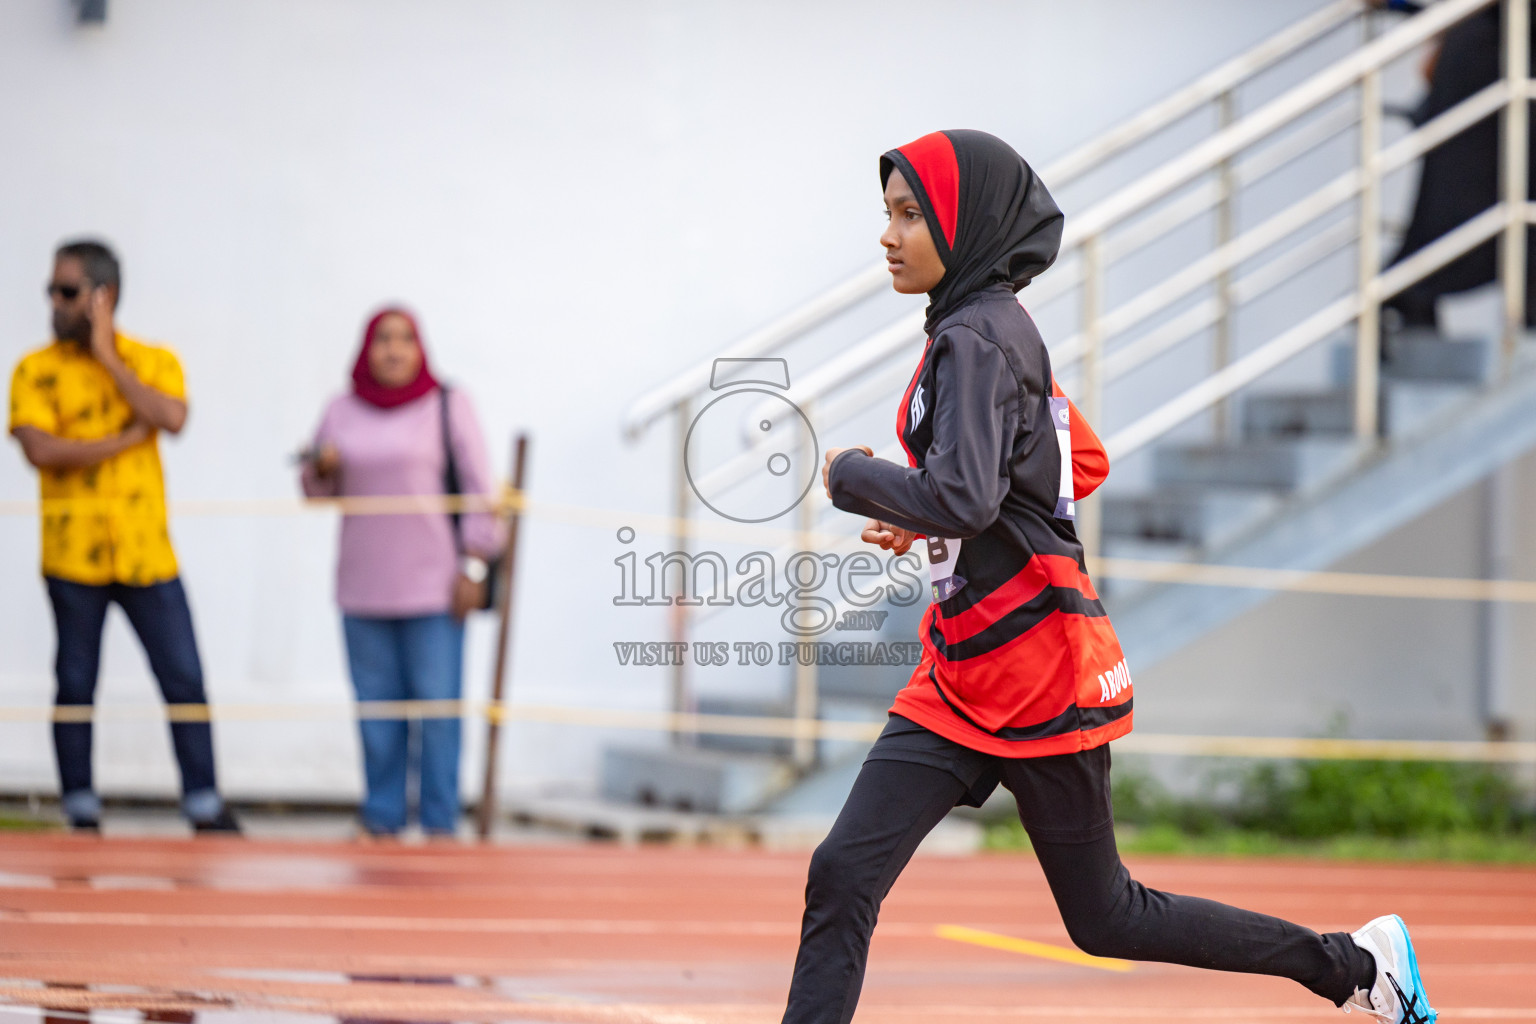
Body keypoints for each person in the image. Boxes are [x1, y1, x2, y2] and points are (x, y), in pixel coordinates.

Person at [787, 131, 1435, 1024]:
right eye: (888, 215)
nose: (890, 236)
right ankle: (1354, 962)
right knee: (844, 870)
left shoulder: (976, 337)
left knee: (1105, 916)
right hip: (963, 675)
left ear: (964, 223)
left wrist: (856, 476)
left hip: (1041, 675)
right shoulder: (983, 327)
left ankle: (1353, 963)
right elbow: (1070, 463)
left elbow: (970, 495)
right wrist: (930, 512)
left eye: (911, 214)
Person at [8, 239, 238, 835]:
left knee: (183, 676)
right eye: (52, 291)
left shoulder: (150, 359)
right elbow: (40, 449)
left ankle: (203, 803)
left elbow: (173, 417)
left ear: (101, 297)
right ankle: (80, 806)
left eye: (67, 291)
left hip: (145, 552)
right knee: (77, 682)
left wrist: (109, 357)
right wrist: (121, 441)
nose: (54, 302)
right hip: (72, 556)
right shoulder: (36, 370)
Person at [301, 307, 504, 840]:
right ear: (365, 349)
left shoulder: (447, 405)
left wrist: (475, 564)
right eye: (382, 340)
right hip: (363, 588)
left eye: (405, 340)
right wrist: (320, 468)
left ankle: (440, 826)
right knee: (376, 717)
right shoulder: (341, 410)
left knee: (438, 715)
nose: (393, 351)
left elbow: (481, 490)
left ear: (421, 349)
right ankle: (382, 819)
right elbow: (314, 491)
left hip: (435, 590)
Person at [1377, 0, 1536, 332]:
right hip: (1492, 67)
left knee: (1472, 200)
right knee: (1471, 199)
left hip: (1494, 66)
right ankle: (1408, 293)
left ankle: (1408, 292)